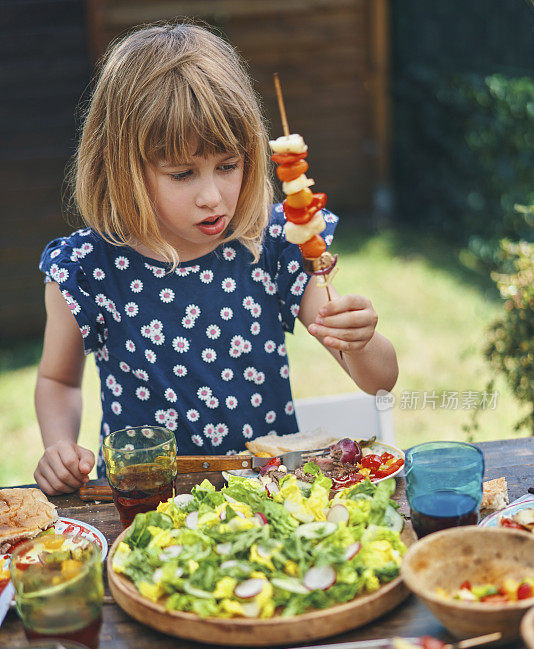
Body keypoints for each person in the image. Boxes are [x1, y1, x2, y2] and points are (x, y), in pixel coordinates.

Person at [34, 23, 398, 496]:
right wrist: (58, 446)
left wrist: (363, 340)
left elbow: (378, 380)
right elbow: (57, 380)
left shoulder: (273, 241)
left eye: (228, 166)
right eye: (183, 174)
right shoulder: (87, 268)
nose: (213, 196)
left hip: (266, 496)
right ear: (122, 169)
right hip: (145, 502)